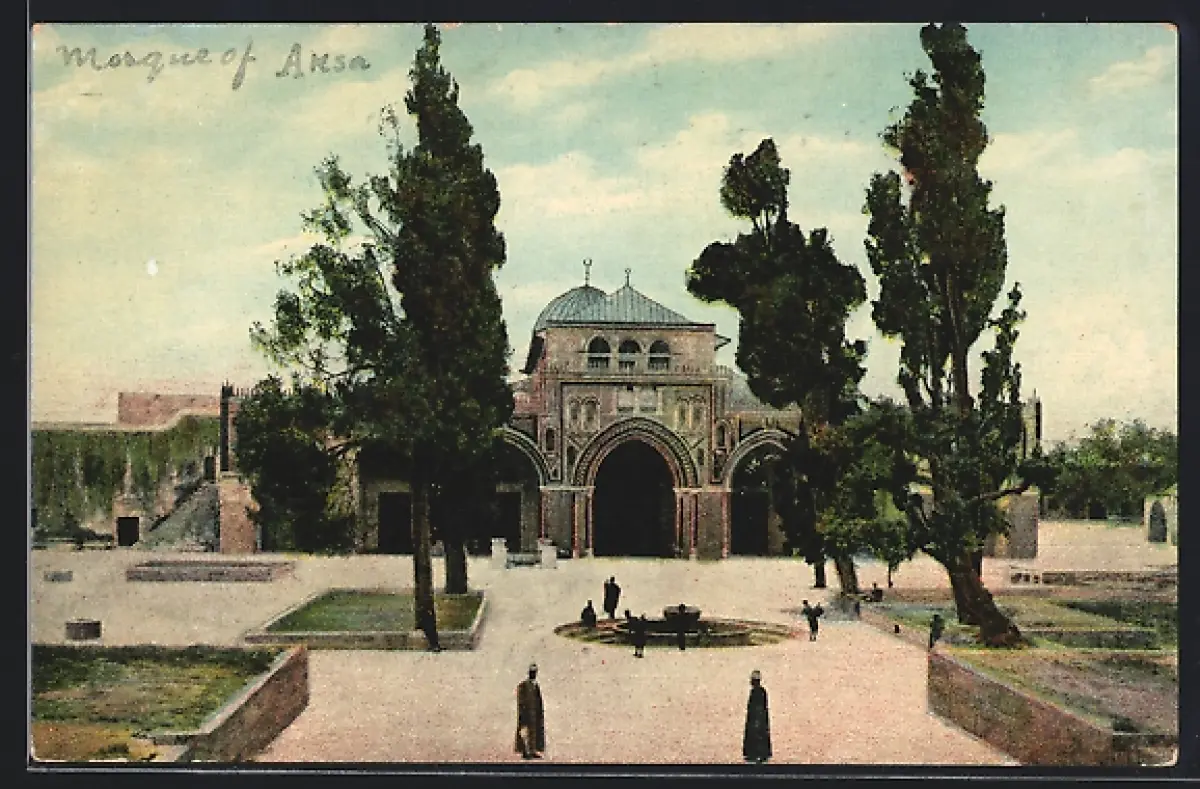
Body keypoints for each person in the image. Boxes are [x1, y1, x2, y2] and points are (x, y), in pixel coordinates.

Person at [514, 663, 545, 759]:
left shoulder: (535, 685)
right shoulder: (523, 685)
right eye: (532, 672)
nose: (533, 674)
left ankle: (533, 750)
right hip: (526, 712)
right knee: (525, 732)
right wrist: (523, 711)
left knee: (534, 732)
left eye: (534, 672)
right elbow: (521, 700)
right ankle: (525, 752)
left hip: (534, 713)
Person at [742, 670, 772, 763]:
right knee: (758, 735)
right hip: (757, 718)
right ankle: (756, 754)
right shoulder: (758, 691)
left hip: (757, 718)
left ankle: (757, 754)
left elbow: (758, 707)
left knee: (757, 735)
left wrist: (757, 721)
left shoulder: (757, 692)